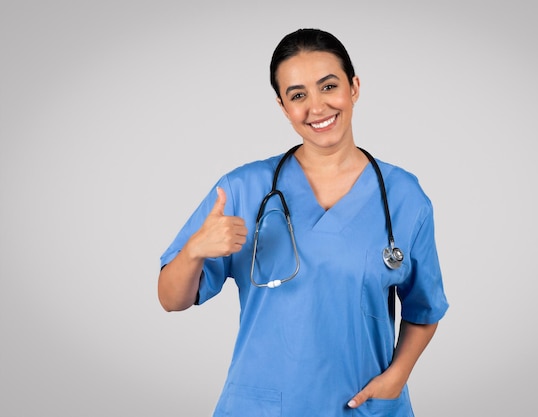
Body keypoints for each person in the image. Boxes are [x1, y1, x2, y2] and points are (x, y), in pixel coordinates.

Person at [158, 28, 448, 416]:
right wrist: (194, 251)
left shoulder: (403, 195)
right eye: (298, 95)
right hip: (262, 405)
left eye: (329, 86)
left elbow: (424, 309)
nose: (317, 107)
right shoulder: (245, 189)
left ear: (354, 87)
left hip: (361, 405)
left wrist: (397, 376)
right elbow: (171, 299)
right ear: (283, 106)